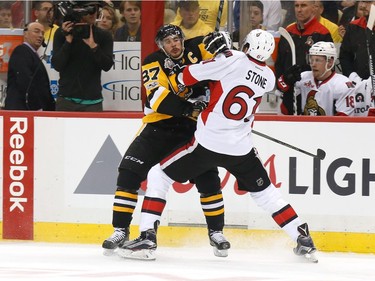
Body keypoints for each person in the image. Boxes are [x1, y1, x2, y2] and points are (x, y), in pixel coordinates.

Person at [119, 29, 318, 263]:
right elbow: (270, 83)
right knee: (266, 194)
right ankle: (303, 238)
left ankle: (146, 238)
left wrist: (214, 57)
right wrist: (222, 56)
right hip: (241, 148)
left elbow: (186, 78)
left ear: (246, 46)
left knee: (158, 175)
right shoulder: (269, 75)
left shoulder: (230, 59)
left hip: (208, 144)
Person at [102, 24, 230, 258]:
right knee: (129, 173)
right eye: (168, 41)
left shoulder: (197, 47)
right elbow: (157, 96)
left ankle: (216, 233)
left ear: (183, 39)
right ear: (161, 46)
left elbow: (222, 52)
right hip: (159, 126)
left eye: (177, 39)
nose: (174, 44)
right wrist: (189, 108)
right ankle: (121, 230)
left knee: (208, 178)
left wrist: (222, 41)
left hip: (193, 130)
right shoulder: (153, 61)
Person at [51, 1, 114, 112]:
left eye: (95, 9)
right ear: (78, 10)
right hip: (66, 101)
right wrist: (68, 41)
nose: (93, 13)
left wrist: (94, 46)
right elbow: (57, 65)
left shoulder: (104, 35)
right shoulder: (62, 33)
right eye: (90, 9)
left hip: (93, 102)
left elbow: (107, 65)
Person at [275, 0, 333, 115]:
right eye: (296, 6)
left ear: (314, 8)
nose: (299, 9)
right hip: (288, 97)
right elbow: (279, 64)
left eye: (303, 5)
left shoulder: (322, 33)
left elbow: (328, 69)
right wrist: (284, 80)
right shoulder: (288, 32)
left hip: (312, 99)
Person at [278, 41, 357, 116]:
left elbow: (343, 120)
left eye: (318, 60)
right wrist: (288, 84)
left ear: (330, 62)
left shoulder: (343, 84)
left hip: (330, 129)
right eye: (311, 60)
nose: (313, 65)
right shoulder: (303, 78)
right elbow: (286, 111)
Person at [4, 22, 55, 110]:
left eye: (42, 33)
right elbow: (25, 81)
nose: (40, 36)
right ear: (25, 34)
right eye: (36, 31)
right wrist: (37, 107)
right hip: (24, 111)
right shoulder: (21, 51)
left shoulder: (32, 54)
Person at [339, 1, 375, 79]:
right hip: (360, 84)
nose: (362, 6)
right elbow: (345, 56)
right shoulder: (354, 26)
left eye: (368, 2)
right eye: (361, 1)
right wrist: (352, 77)